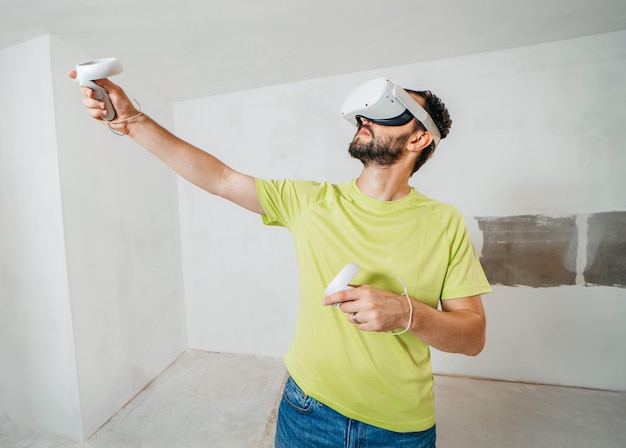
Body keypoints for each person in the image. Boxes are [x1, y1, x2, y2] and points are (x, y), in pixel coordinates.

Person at [69, 70, 491, 448]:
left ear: (418, 138)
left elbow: (472, 338)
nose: (365, 117)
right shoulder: (311, 201)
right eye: (365, 112)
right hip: (309, 410)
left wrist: (407, 313)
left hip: (400, 428)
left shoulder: (444, 223)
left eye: (390, 111)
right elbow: (219, 178)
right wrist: (130, 120)